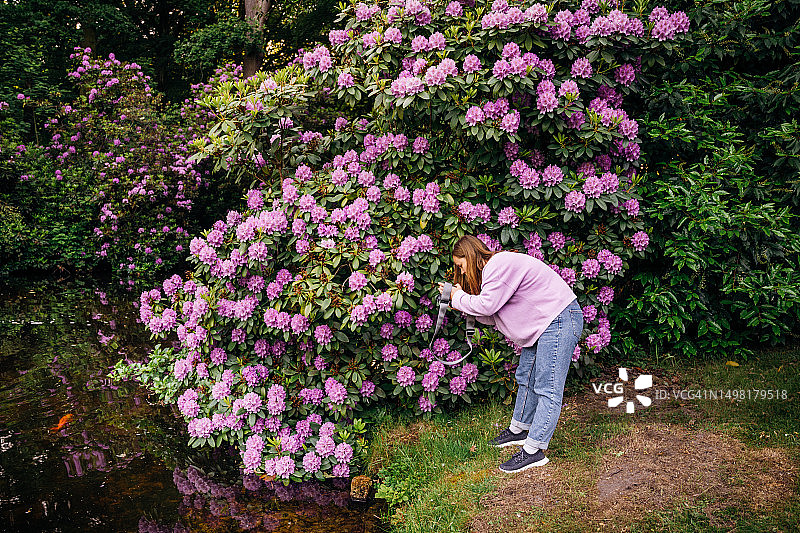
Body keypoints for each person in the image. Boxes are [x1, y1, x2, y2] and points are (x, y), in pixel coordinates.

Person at [439, 235, 583, 473]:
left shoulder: (499, 265)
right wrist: (456, 302)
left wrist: (458, 297)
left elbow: (486, 306)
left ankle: (534, 450)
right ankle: (519, 429)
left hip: (559, 320)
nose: (462, 274)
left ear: (471, 256)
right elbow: (491, 314)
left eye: (461, 267)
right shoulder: (493, 274)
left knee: (548, 387)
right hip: (544, 324)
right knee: (525, 377)